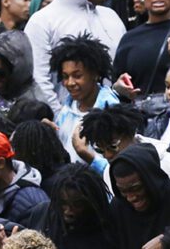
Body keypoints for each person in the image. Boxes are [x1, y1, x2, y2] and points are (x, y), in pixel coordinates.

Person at [25, 0, 126, 111]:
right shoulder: (42, 20)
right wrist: (60, 119)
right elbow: (39, 79)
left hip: (112, 120)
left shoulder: (111, 16)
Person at [50, 33, 121, 163]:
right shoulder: (68, 108)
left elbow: (118, 168)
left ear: (95, 73)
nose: (70, 83)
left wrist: (87, 155)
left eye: (77, 75)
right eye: (65, 77)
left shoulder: (111, 110)